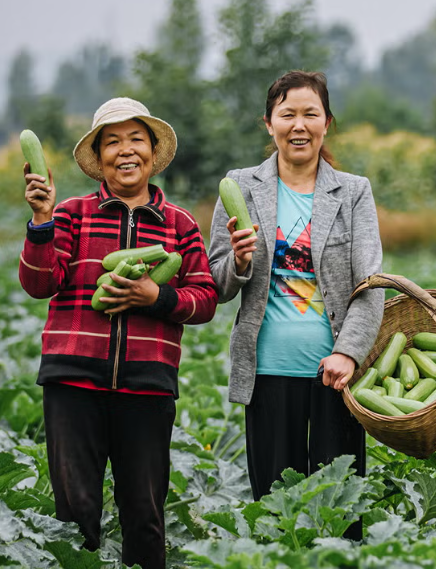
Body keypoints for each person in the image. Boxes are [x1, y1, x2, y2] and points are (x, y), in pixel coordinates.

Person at [18, 97, 218, 569]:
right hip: (72, 382)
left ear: (151, 151)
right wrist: (42, 221)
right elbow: (38, 283)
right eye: (112, 142)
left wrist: (158, 298)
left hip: (147, 387)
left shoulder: (180, 225)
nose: (125, 151)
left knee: (145, 514)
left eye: (136, 140)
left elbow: (205, 298)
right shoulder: (70, 214)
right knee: (74, 513)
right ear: (98, 157)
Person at [207, 71, 384, 517]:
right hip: (266, 371)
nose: (299, 125)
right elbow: (216, 281)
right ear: (269, 123)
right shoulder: (241, 186)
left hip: (335, 376)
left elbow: (371, 284)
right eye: (287, 114)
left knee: (339, 514)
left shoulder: (353, 192)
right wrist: (240, 262)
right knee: (274, 513)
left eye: (311, 113)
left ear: (327, 122)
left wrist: (349, 353)